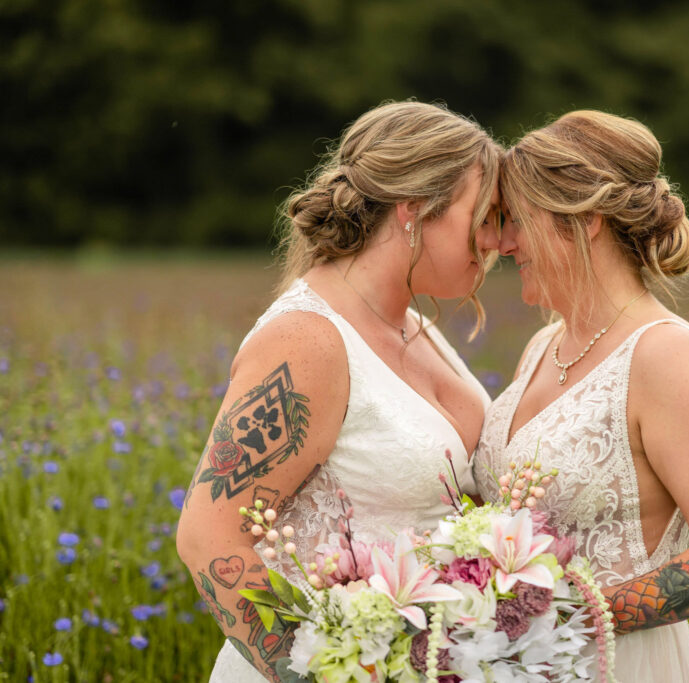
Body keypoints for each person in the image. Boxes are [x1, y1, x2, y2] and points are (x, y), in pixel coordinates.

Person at [176, 101, 502, 682]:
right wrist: (322, 673)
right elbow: (210, 536)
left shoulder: (413, 326)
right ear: (414, 208)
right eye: (484, 215)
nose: (497, 239)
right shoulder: (307, 339)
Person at [472, 110, 689, 681]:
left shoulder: (664, 355)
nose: (504, 244)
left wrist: (564, 620)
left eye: (518, 220)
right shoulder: (542, 344)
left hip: (617, 663)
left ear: (584, 221)